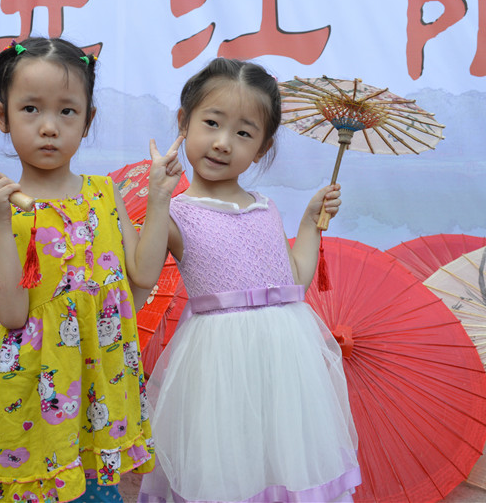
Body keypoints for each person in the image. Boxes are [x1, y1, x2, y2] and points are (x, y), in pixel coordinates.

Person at [0, 37, 183, 503]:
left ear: (88, 120)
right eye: (31, 109)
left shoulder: (104, 194)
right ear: (3, 115)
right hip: (29, 395)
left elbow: (141, 275)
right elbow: (13, 315)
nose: (49, 127)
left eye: (67, 112)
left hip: (99, 389)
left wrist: (158, 197)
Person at [138, 58, 361, 503]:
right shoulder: (179, 212)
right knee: (226, 456)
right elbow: (142, 276)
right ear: (184, 122)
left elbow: (294, 277)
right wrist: (159, 197)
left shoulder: (265, 206)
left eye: (243, 133)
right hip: (219, 360)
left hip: (285, 355)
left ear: (262, 147)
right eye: (212, 123)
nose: (223, 143)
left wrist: (310, 220)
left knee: (282, 453)